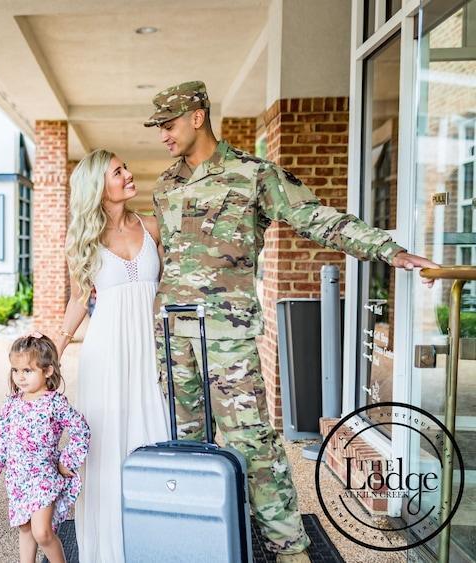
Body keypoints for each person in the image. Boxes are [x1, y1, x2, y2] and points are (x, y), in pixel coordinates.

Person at [143, 80, 438, 562]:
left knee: (252, 441)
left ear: (197, 117)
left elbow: (316, 218)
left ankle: (289, 549)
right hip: (173, 334)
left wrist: (388, 249)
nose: (163, 135)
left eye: (169, 124)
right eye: (158, 128)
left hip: (228, 335)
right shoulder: (165, 185)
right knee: (184, 442)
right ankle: (199, 542)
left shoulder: (253, 174)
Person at [54, 149, 171, 563]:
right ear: (98, 188)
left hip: (150, 354)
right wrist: (55, 350)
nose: (128, 174)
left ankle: (156, 548)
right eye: (118, 171)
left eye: (125, 167)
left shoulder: (152, 226)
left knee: (153, 437)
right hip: (105, 357)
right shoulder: (83, 241)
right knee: (105, 450)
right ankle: (110, 551)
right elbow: (78, 300)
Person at [0, 332, 90, 563]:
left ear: (47, 371)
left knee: (42, 532)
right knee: (25, 528)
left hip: (43, 477)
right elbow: (0, 440)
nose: (20, 377)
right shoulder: (11, 404)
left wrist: (66, 461)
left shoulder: (54, 403)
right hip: (17, 479)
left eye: (27, 370)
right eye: (15, 370)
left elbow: (81, 430)